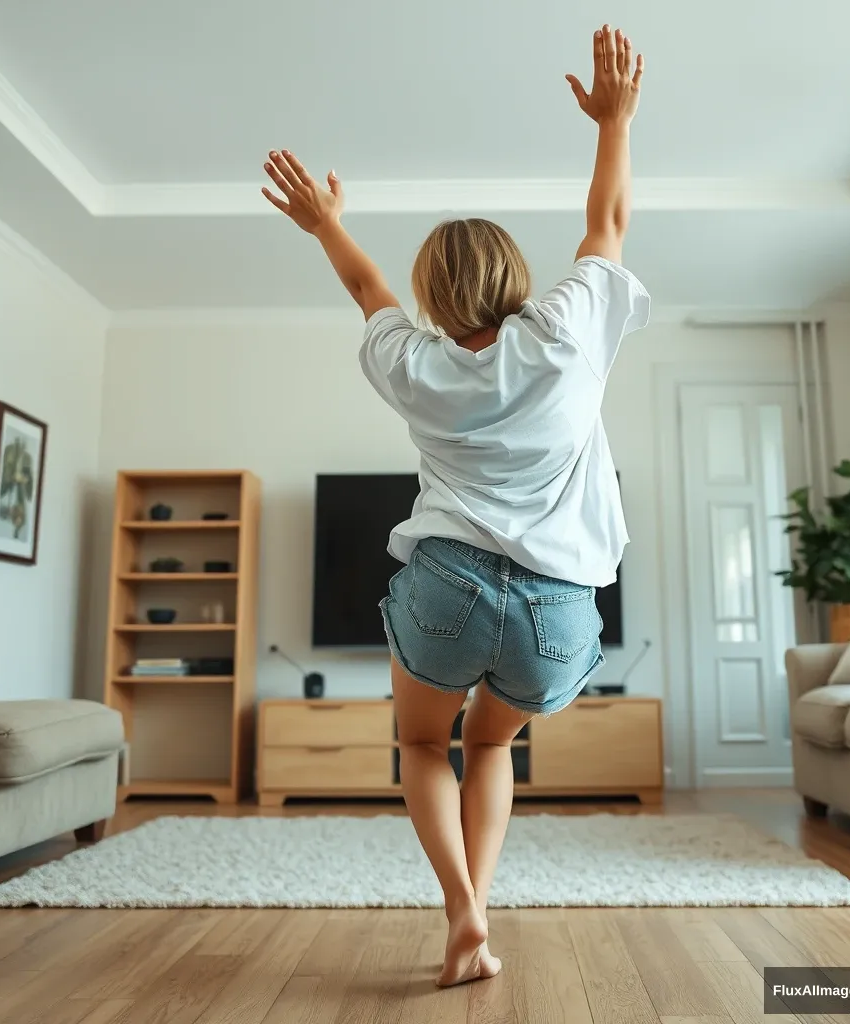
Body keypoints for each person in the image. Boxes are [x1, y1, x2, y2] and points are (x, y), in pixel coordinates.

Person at [262, 23, 649, 988]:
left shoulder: (411, 362)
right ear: (516, 281)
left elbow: (364, 284)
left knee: (421, 743)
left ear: (435, 296)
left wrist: (324, 221)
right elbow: (607, 222)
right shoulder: (565, 332)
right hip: (557, 608)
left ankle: (463, 911)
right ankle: (478, 909)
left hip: (446, 586)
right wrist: (614, 121)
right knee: (491, 750)